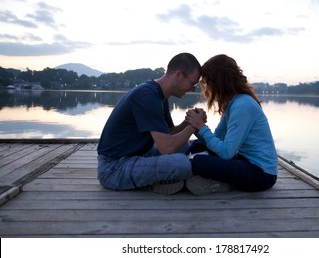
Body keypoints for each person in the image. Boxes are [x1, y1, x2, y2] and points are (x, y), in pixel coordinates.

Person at [97, 52, 201, 195]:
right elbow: (167, 148)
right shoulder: (148, 96)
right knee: (182, 164)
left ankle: (156, 179)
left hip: (134, 155)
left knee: (183, 147)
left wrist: (188, 121)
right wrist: (194, 126)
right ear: (178, 75)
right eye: (192, 84)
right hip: (113, 168)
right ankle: (151, 184)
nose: (192, 89)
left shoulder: (159, 95)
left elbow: (169, 132)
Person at [185, 54, 278, 195]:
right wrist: (197, 126)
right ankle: (218, 179)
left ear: (218, 81)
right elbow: (218, 138)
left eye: (207, 81)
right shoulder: (233, 103)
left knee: (199, 162)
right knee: (198, 145)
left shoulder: (243, 105)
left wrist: (202, 127)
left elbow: (226, 153)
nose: (207, 87)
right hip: (243, 160)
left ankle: (219, 183)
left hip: (261, 175)